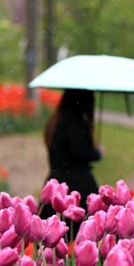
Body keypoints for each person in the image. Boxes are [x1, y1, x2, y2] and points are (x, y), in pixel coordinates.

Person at [40, 89, 103, 237]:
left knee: (52, 235)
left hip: (55, 183)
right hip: (77, 185)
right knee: (79, 234)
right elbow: (82, 151)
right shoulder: (76, 123)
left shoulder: (56, 121)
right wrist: (97, 152)